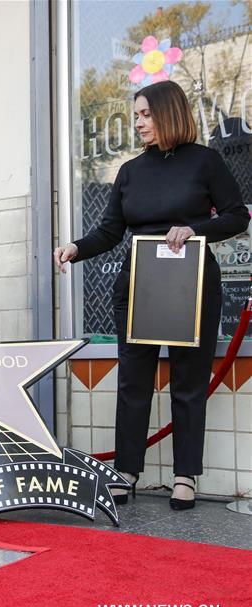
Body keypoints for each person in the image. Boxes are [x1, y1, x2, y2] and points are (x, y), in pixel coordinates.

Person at [53, 80, 249, 511]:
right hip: (138, 284)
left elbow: (237, 216)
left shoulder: (206, 162)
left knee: (188, 380)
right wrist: (76, 248)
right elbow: (110, 230)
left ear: (168, 113)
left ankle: (185, 476)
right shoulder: (131, 170)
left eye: (144, 114)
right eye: (136, 114)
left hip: (192, 283)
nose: (138, 122)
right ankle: (127, 471)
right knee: (133, 380)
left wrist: (195, 229)